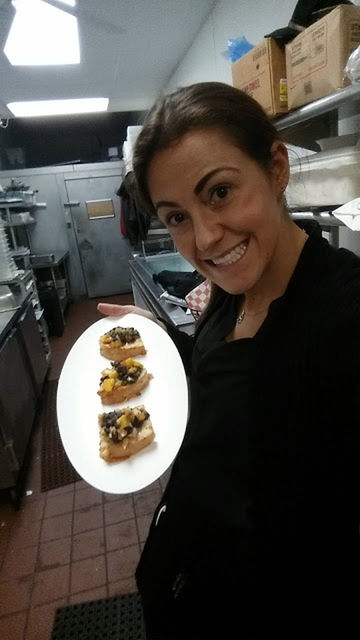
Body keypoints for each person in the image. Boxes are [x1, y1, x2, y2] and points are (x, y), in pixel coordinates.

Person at [98, 82, 360, 639]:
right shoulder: (230, 292)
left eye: (218, 192)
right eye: (176, 217)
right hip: (187, 576)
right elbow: (232, 384)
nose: (206, 238)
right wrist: (168, 347)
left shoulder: (343, 314)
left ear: (276, 168)